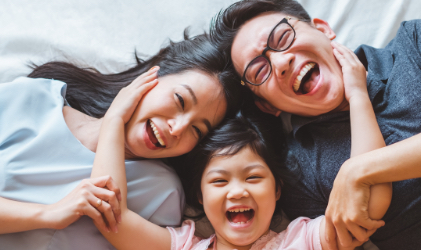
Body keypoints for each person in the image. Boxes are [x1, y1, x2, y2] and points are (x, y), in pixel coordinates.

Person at [209, 0, 421, 249]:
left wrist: (358, 171)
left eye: (283, 37)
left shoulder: (415, 41)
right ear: (266, 106)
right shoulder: (298, 171)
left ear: (323, 29)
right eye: (259, 70)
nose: (281, 62)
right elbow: (349, 235)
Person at [87, 47, 390, 249]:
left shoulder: (302, 240)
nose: (237, 192)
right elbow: (113, 218)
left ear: (277, 190)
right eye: (219, 181)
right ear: (199, 197)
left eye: (253, 178)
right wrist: (114, 119)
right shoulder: (185, 244)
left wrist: (358, 98)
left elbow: (369, 200)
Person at [0, 34, 241, 249]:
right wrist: (46, 214)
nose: (177, 128)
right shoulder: (34, 98)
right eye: (180, 100)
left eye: (197, 130)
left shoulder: (161, 192)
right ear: (152, 75)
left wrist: (114, 121)